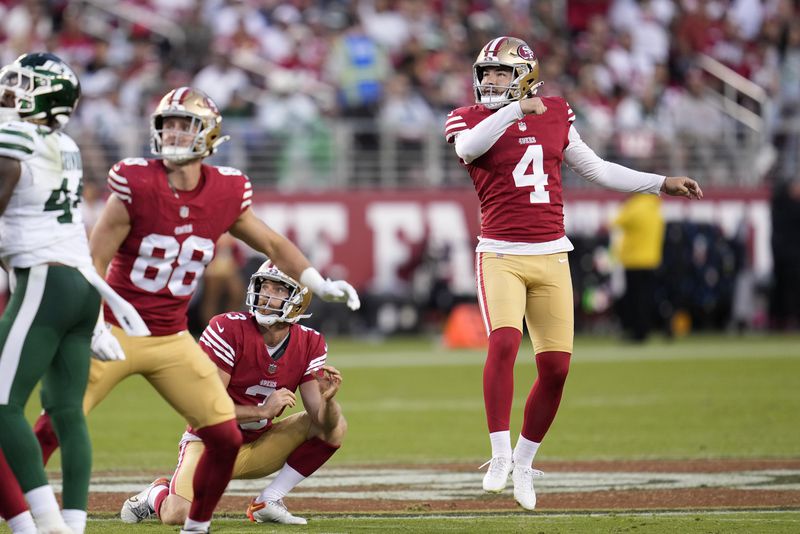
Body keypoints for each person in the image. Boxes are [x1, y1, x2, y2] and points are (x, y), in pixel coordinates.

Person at [31, 86, 360, 534]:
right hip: (118, 327)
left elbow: (272, 244)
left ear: (209, 134)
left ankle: (195, 528)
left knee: (222, 434)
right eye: (167, 124)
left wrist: (317, 281)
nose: (174, 132)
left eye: (185, 124)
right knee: (60, 417)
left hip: (171, 336)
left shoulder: (226, 189)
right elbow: (96, 259)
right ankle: (15, 499)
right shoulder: (135, 180)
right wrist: (92, 322)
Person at [444, 36, 703, 511]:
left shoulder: (557, 112)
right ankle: (499, 454)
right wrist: (516, 110)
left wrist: (659, 183)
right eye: (486, 73)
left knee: (557, 369)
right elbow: (468, 148)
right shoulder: (472, 117)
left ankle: (524, 461)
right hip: (500, 253)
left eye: (500, 72)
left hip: (552, 254)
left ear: (522, 74)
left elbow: (597, 169)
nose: (489, 81)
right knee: (503, 342)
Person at [0, 52, 147, 534]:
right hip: (81, 286)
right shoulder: (65, 143)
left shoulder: (17, 136)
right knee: (65, 410)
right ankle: (75, 524)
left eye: (21, 84)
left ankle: (42, 524)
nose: (8, 91)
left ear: (46, 97)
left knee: (2, 404)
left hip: (45, 280)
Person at [119, 260, 346, 526]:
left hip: (258, 443)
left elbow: (322, 421)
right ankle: (157, 493)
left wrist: (329, 403)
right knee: (177, 514)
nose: (266, 295)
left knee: (337, 424)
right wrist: (262, 411)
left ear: (298, 299)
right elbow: (205, 407)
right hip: (209, 443)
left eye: (278, 290)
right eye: (264, 287)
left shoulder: (310, 341)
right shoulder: (227, 329)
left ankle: (269, 500)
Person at [611, 193, 665, 342]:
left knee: (635, 300)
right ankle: (645, 329)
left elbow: (615, 222)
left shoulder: (635, 207)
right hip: (652, 260)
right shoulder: (656, 208)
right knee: (646, 299)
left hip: (634, 261)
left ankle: (637, 332)